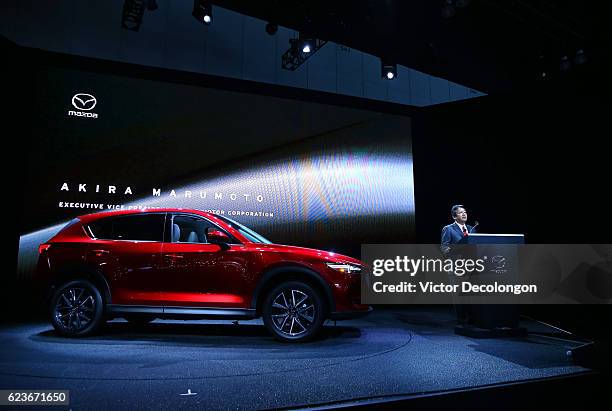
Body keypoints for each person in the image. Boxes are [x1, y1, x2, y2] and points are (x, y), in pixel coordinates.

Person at [440, 204, 476, 325]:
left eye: (465, 212)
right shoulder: (448, 229)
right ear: (455, 216)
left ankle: (473, 316)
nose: (464, 214)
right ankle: (461, 318)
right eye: (461, 212)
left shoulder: (471, 229)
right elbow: (444, 247)